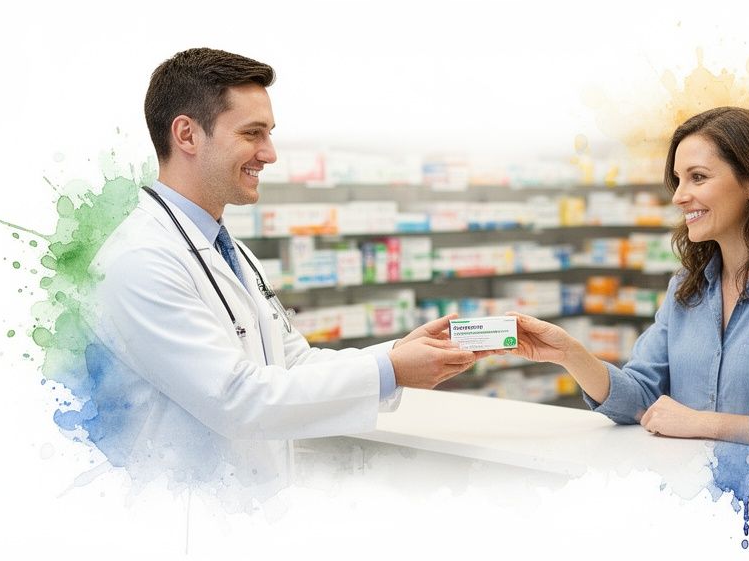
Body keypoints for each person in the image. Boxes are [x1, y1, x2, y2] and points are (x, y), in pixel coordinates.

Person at [84, 48, 482, 494]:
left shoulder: (230, 252)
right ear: (187, 135)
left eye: (269, 134)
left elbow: (292, 362)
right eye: (252, 134)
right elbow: (237, 398)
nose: (269, 154)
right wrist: (391, 371)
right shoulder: (141, 259)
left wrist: (397, 352)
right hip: (181, 520)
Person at [510, 107, 749, 462]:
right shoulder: (685, 288)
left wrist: (704, 423)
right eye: (679, 179)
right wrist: (568, 353)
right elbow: (640, 397)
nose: (678, 196)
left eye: (698, 177)